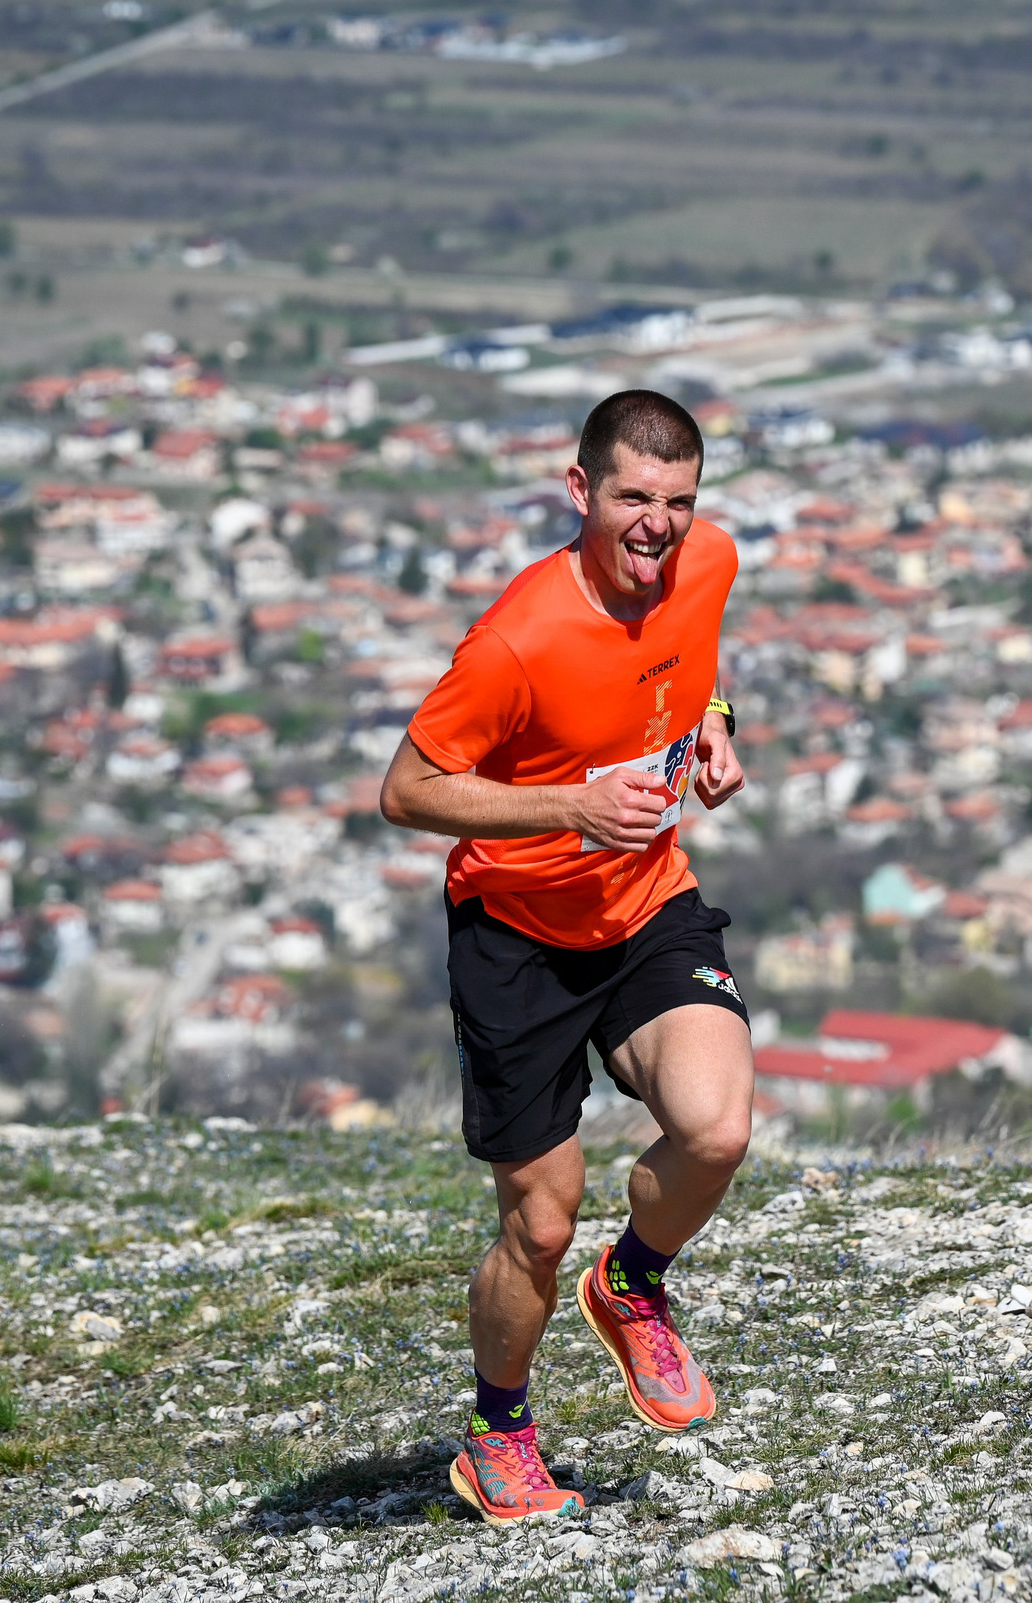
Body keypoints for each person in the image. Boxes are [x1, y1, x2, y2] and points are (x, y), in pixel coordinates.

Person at [379, 388, 752, 1526]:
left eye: (678, 501)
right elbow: (406, 788)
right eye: (633, 497)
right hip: (517, 937)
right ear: (580, 489)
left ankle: (632, 1282)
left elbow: (699, 659)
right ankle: (497, 1434)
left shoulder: (710, 560)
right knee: (538, 1221)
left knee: (716, 1126)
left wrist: (718, 726)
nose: (659, 524)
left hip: (646, 902)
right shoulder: (516, 638)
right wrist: (570, 810)